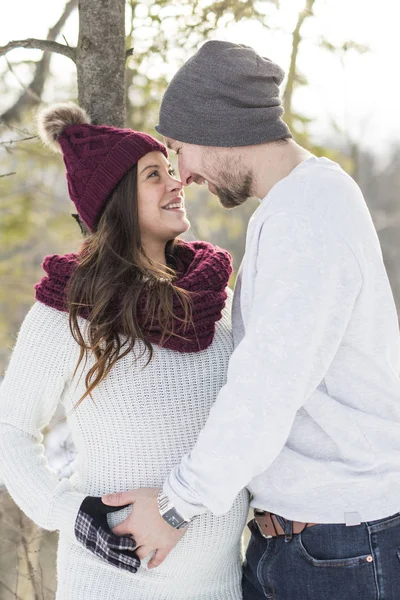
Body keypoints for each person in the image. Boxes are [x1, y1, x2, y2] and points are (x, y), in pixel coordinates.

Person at [102, 40, 400, 600]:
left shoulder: (307, 217)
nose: (182, 174)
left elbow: (265, 387)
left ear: (219, 129)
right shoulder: (297, 207)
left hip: (339, 549)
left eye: (179, 148)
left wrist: (175, 504)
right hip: (307, 542)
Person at [0, 102, 249, 600]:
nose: (178, 184)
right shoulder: (69, 314)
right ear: (114, 200)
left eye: (173, 171)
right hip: (111, 586)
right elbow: (11, 429)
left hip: (221, 584)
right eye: (155, 175)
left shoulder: (213, 302)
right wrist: (68, 512)